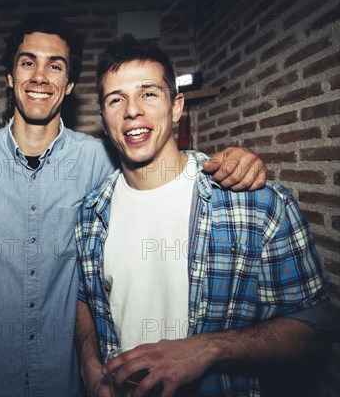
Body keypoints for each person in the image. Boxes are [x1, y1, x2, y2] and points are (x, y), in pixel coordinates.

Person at [0, 15, 267, 397]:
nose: (40, 76)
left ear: (70, 83)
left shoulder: (101, 161)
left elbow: (158, 164)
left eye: (55, 66)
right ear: (11, 78)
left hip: (62, 384)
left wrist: (227, 161)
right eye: (28, 63)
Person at [74, 34, 335, 397]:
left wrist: (209, 348)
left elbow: (314, 331)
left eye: (148, 93)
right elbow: (86, 298)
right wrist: (89, 365)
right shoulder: (90, 214)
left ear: (176, 105)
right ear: (104, 119)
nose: (132, 110)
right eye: (116, 99)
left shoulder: (256, 204)